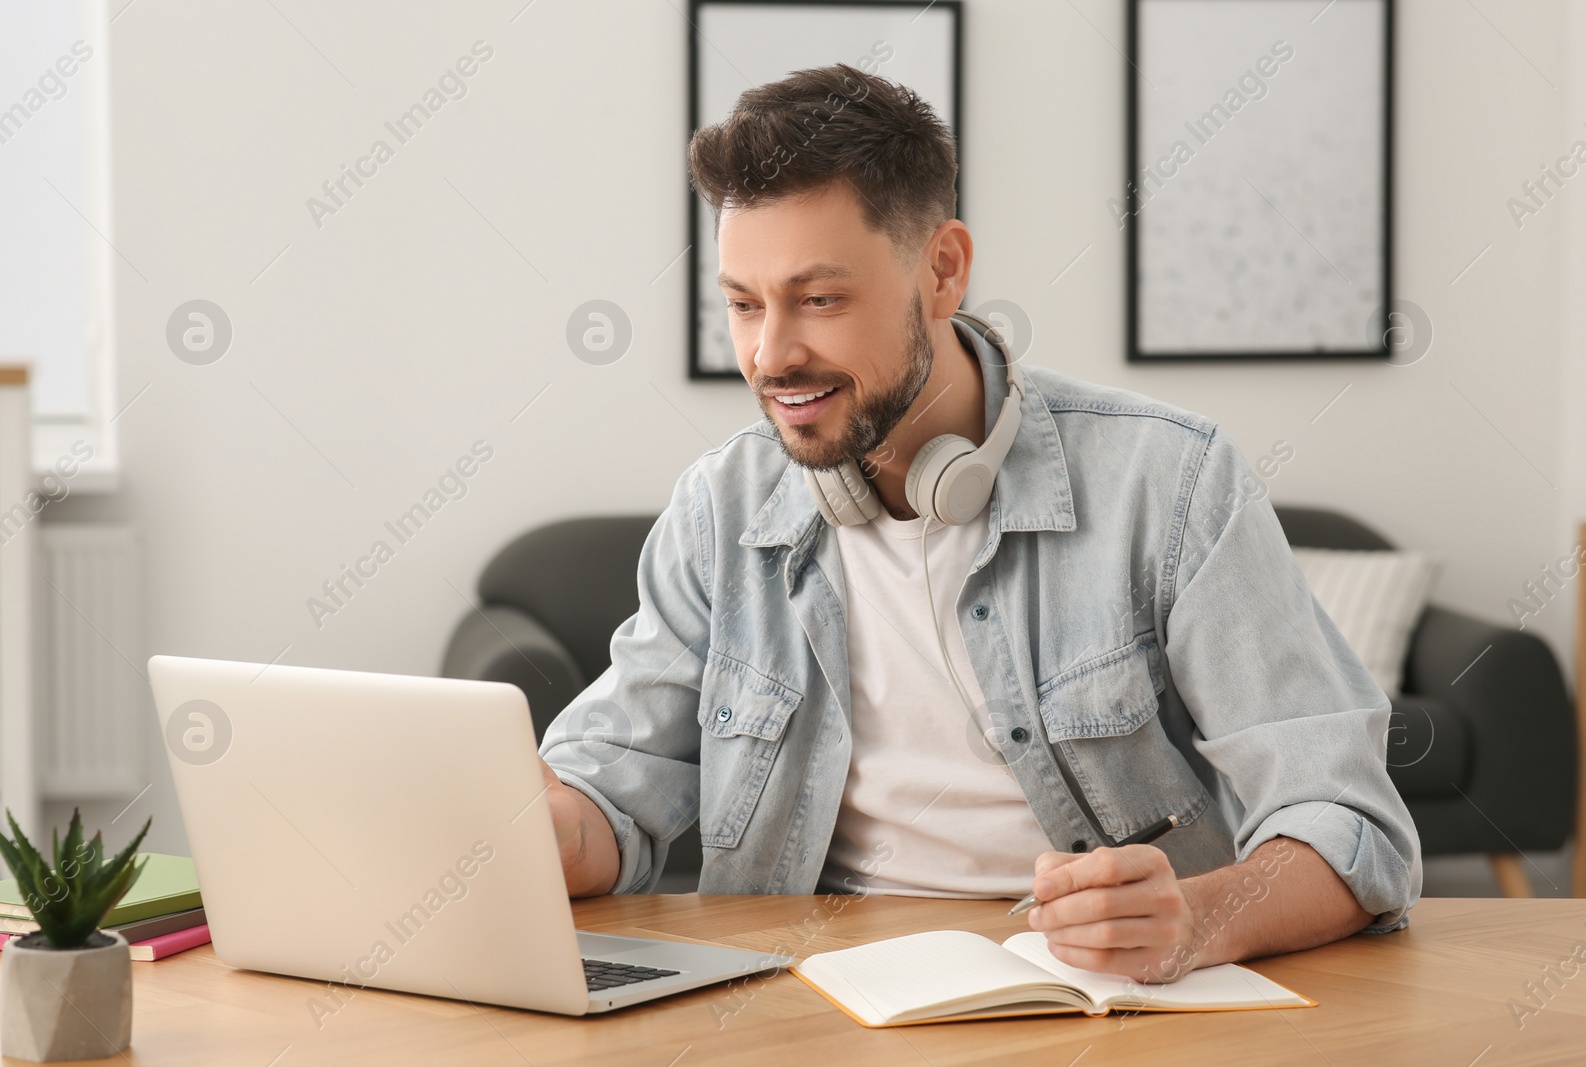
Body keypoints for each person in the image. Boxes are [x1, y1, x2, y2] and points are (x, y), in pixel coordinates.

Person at [538, 63, 1421, 984]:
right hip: (799, 1002)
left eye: (821, 299)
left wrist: (1198, 917)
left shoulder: (1170, 482)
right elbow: (610, 800)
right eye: (743, 303)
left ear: (944, 271)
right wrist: (513, 832)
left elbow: (1352, 825)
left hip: (1103, 1008)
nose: (771, 355)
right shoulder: (720, 510)